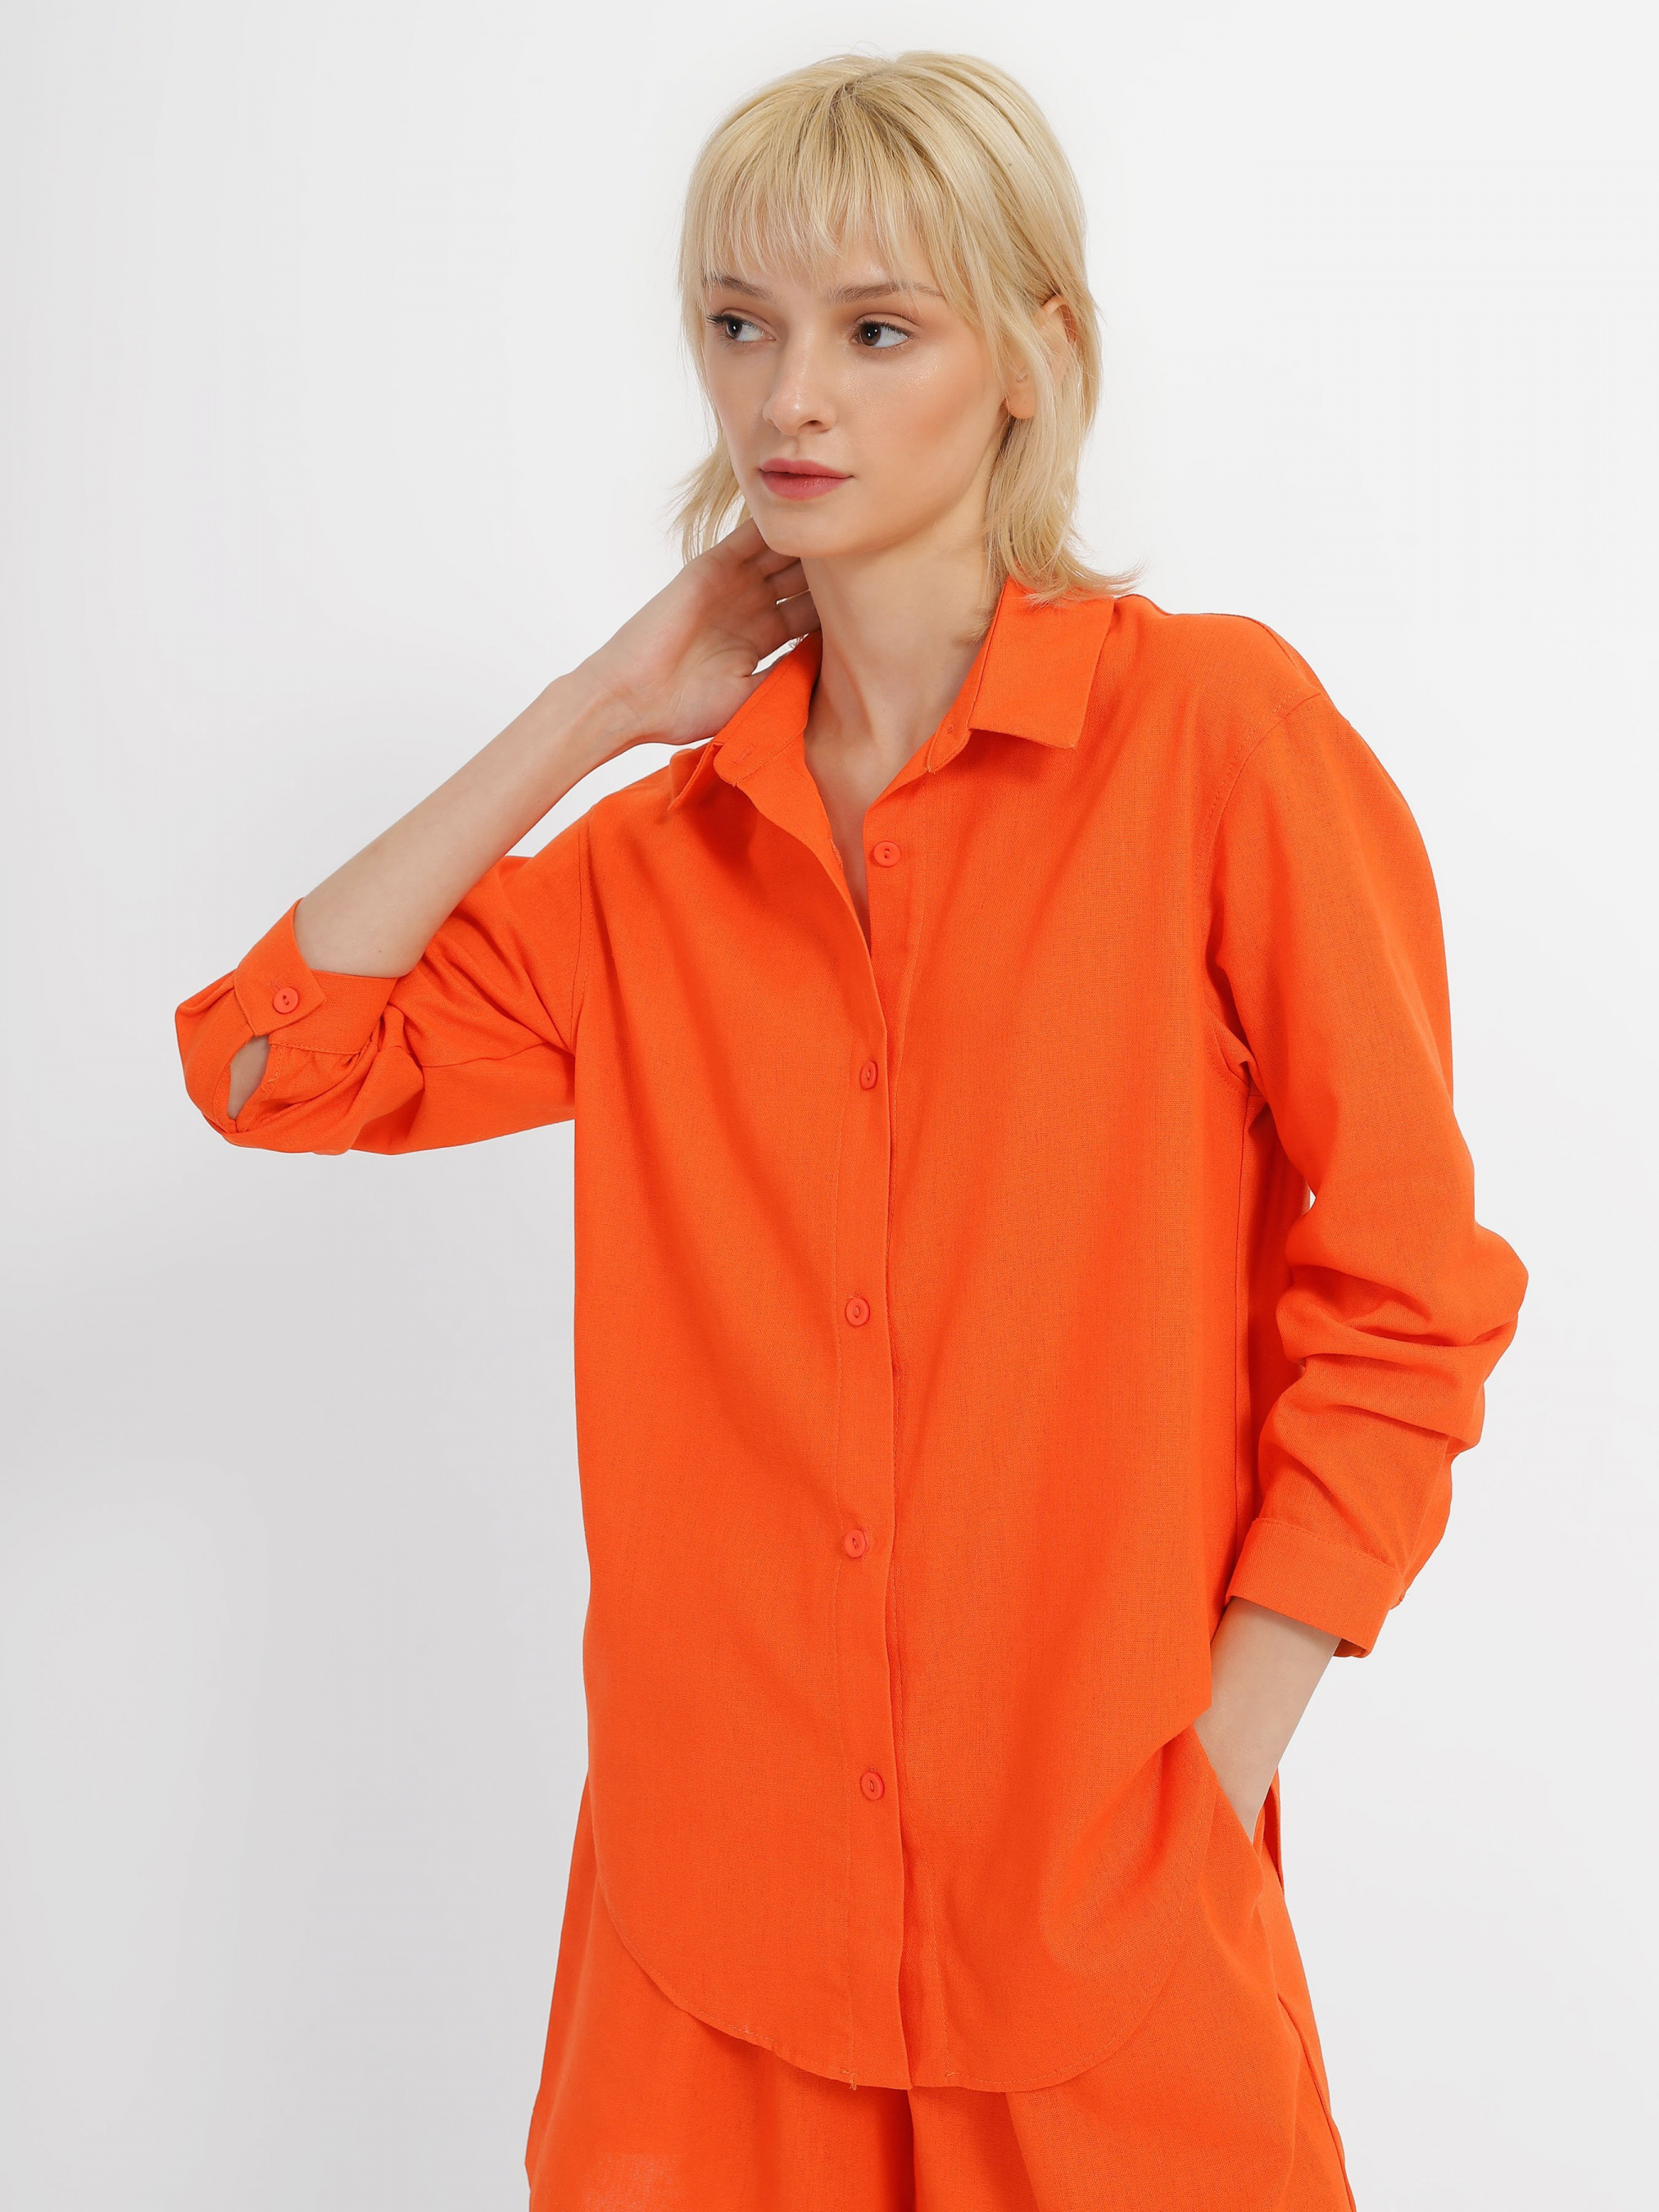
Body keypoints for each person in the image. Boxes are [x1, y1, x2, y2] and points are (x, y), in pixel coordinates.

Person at [175, 49, 1527, 2212]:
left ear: (1032, 358)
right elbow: (272, 1066)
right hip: (708, 1948)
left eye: (876, 329)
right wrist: (601, 707)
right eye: (741, 323)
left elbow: (1408, 1288)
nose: (787, 396)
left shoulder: (1211, 740)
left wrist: (1212, 1765)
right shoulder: (656, 866)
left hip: (1101, 1921)